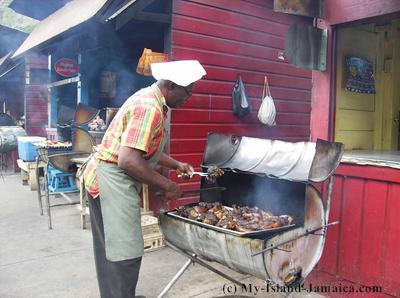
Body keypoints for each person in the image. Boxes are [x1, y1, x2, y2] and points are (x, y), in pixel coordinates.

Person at [82, 60, 206, 298]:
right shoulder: (149, 107)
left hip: (109, 177)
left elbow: (143, 147)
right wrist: (168, 185)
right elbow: (128, 160)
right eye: (187, 92)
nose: (188, 98)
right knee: (124, 252)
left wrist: (177, 164)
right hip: (111, 179)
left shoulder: (151, 99)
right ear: (171, 85)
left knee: (112, 248)